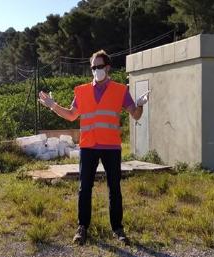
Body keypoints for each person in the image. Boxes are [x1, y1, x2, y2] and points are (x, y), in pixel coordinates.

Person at [38, 50, 149, 245]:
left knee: (114, 188)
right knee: (84, 188)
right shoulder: (81, 91)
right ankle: (82, 227)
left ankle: (118, 228)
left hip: (111, 147)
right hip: (89, 146)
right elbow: (72, 115)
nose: (95, 71)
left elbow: (136, 115)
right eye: (93, 67)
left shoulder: (120, 90)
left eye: (99, 67)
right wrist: (53, 106)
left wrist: (140, 105)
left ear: (107, 67)